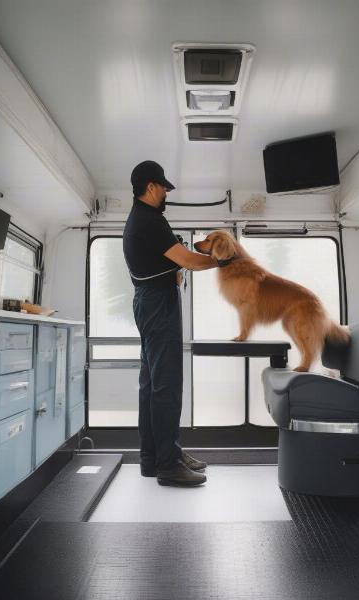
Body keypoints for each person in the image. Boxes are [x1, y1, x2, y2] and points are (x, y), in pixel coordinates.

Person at [123, 160, 218, 487]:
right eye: (163, 186)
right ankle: (168, 463)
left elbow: (171, 264)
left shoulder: (140, 219)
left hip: (147, 300)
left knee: (150, 386)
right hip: (157, 302)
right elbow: (189, 260)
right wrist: (224, 259)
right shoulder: (149, 220)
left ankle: (155, 458)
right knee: (167, 385)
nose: (166, 192)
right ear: (151, 187)